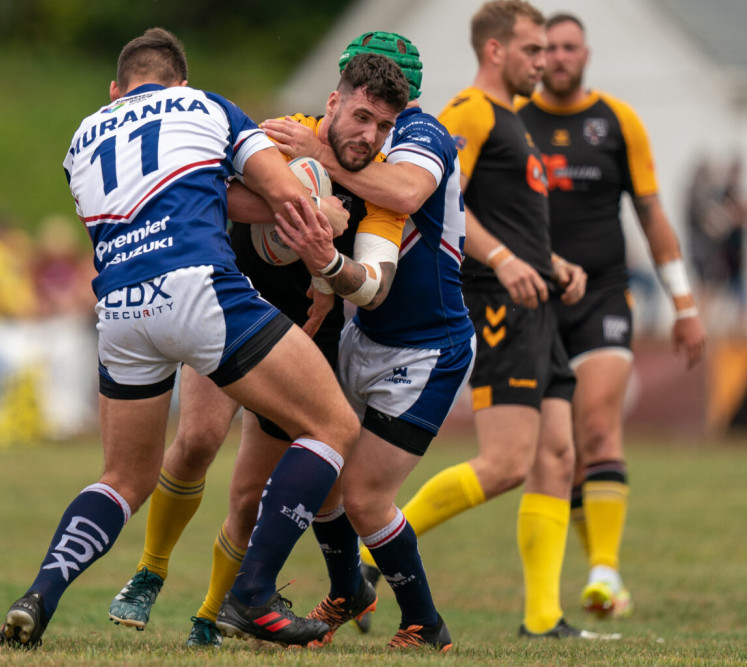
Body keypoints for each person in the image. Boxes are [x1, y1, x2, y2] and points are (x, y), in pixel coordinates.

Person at [0, 27, 360, 649]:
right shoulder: (207, 106)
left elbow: (185, 195)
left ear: (116, 92)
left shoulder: (82, 139)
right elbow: (281, 193)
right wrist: (324, 212)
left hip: (119, 309)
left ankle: (40, 594)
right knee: (333, 426)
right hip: (198, 289)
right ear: (180, 83)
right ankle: (251, 595)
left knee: (123, 478)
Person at [106, 51, 410, 649]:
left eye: (382, 127)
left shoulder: (377, 191)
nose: (367, 136)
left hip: (301, 336)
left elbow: (374, 280)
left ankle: (210, 614)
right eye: (360, 117)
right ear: (333, 103)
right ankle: (150, 569)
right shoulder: (276, 135)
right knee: (194, 441)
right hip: (226, 305)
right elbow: (200, 186)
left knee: (249, 496)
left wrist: (327, 275)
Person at [361, 1, 612, 640]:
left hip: (535, 303)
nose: (544, 62)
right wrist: (503, 260)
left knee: (558, 455)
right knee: (506, 463)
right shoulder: (471, 110)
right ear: (497, 51)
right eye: (533, 50)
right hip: (496, 305)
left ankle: (542, 618)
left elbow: (502, 215)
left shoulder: (512, 119)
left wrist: (550, 262)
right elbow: (443, 205)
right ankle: (369, 555)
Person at [265, 30, 477, 652]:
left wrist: (322, 160)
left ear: (402, 94)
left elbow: (407, 194)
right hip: (367, 332)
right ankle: (347, 590)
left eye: (381, 110)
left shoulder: (421, 134)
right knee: (324, 466)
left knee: (363, 495)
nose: (367, 126)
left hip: (426, 346)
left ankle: (424, 622)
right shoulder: (344, 135)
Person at [516, 12, 707, 619]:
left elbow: (652, 216)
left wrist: (684, 305)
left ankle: (601, 572)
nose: (561, 57)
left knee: (597, 427)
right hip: (537, 301)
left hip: (604, 295)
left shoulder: (619, 122)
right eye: (549, 48)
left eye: (571, 47)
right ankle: (606, 570)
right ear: (537, 57)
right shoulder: (514, 122)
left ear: (586, 54)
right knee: (560, 452)